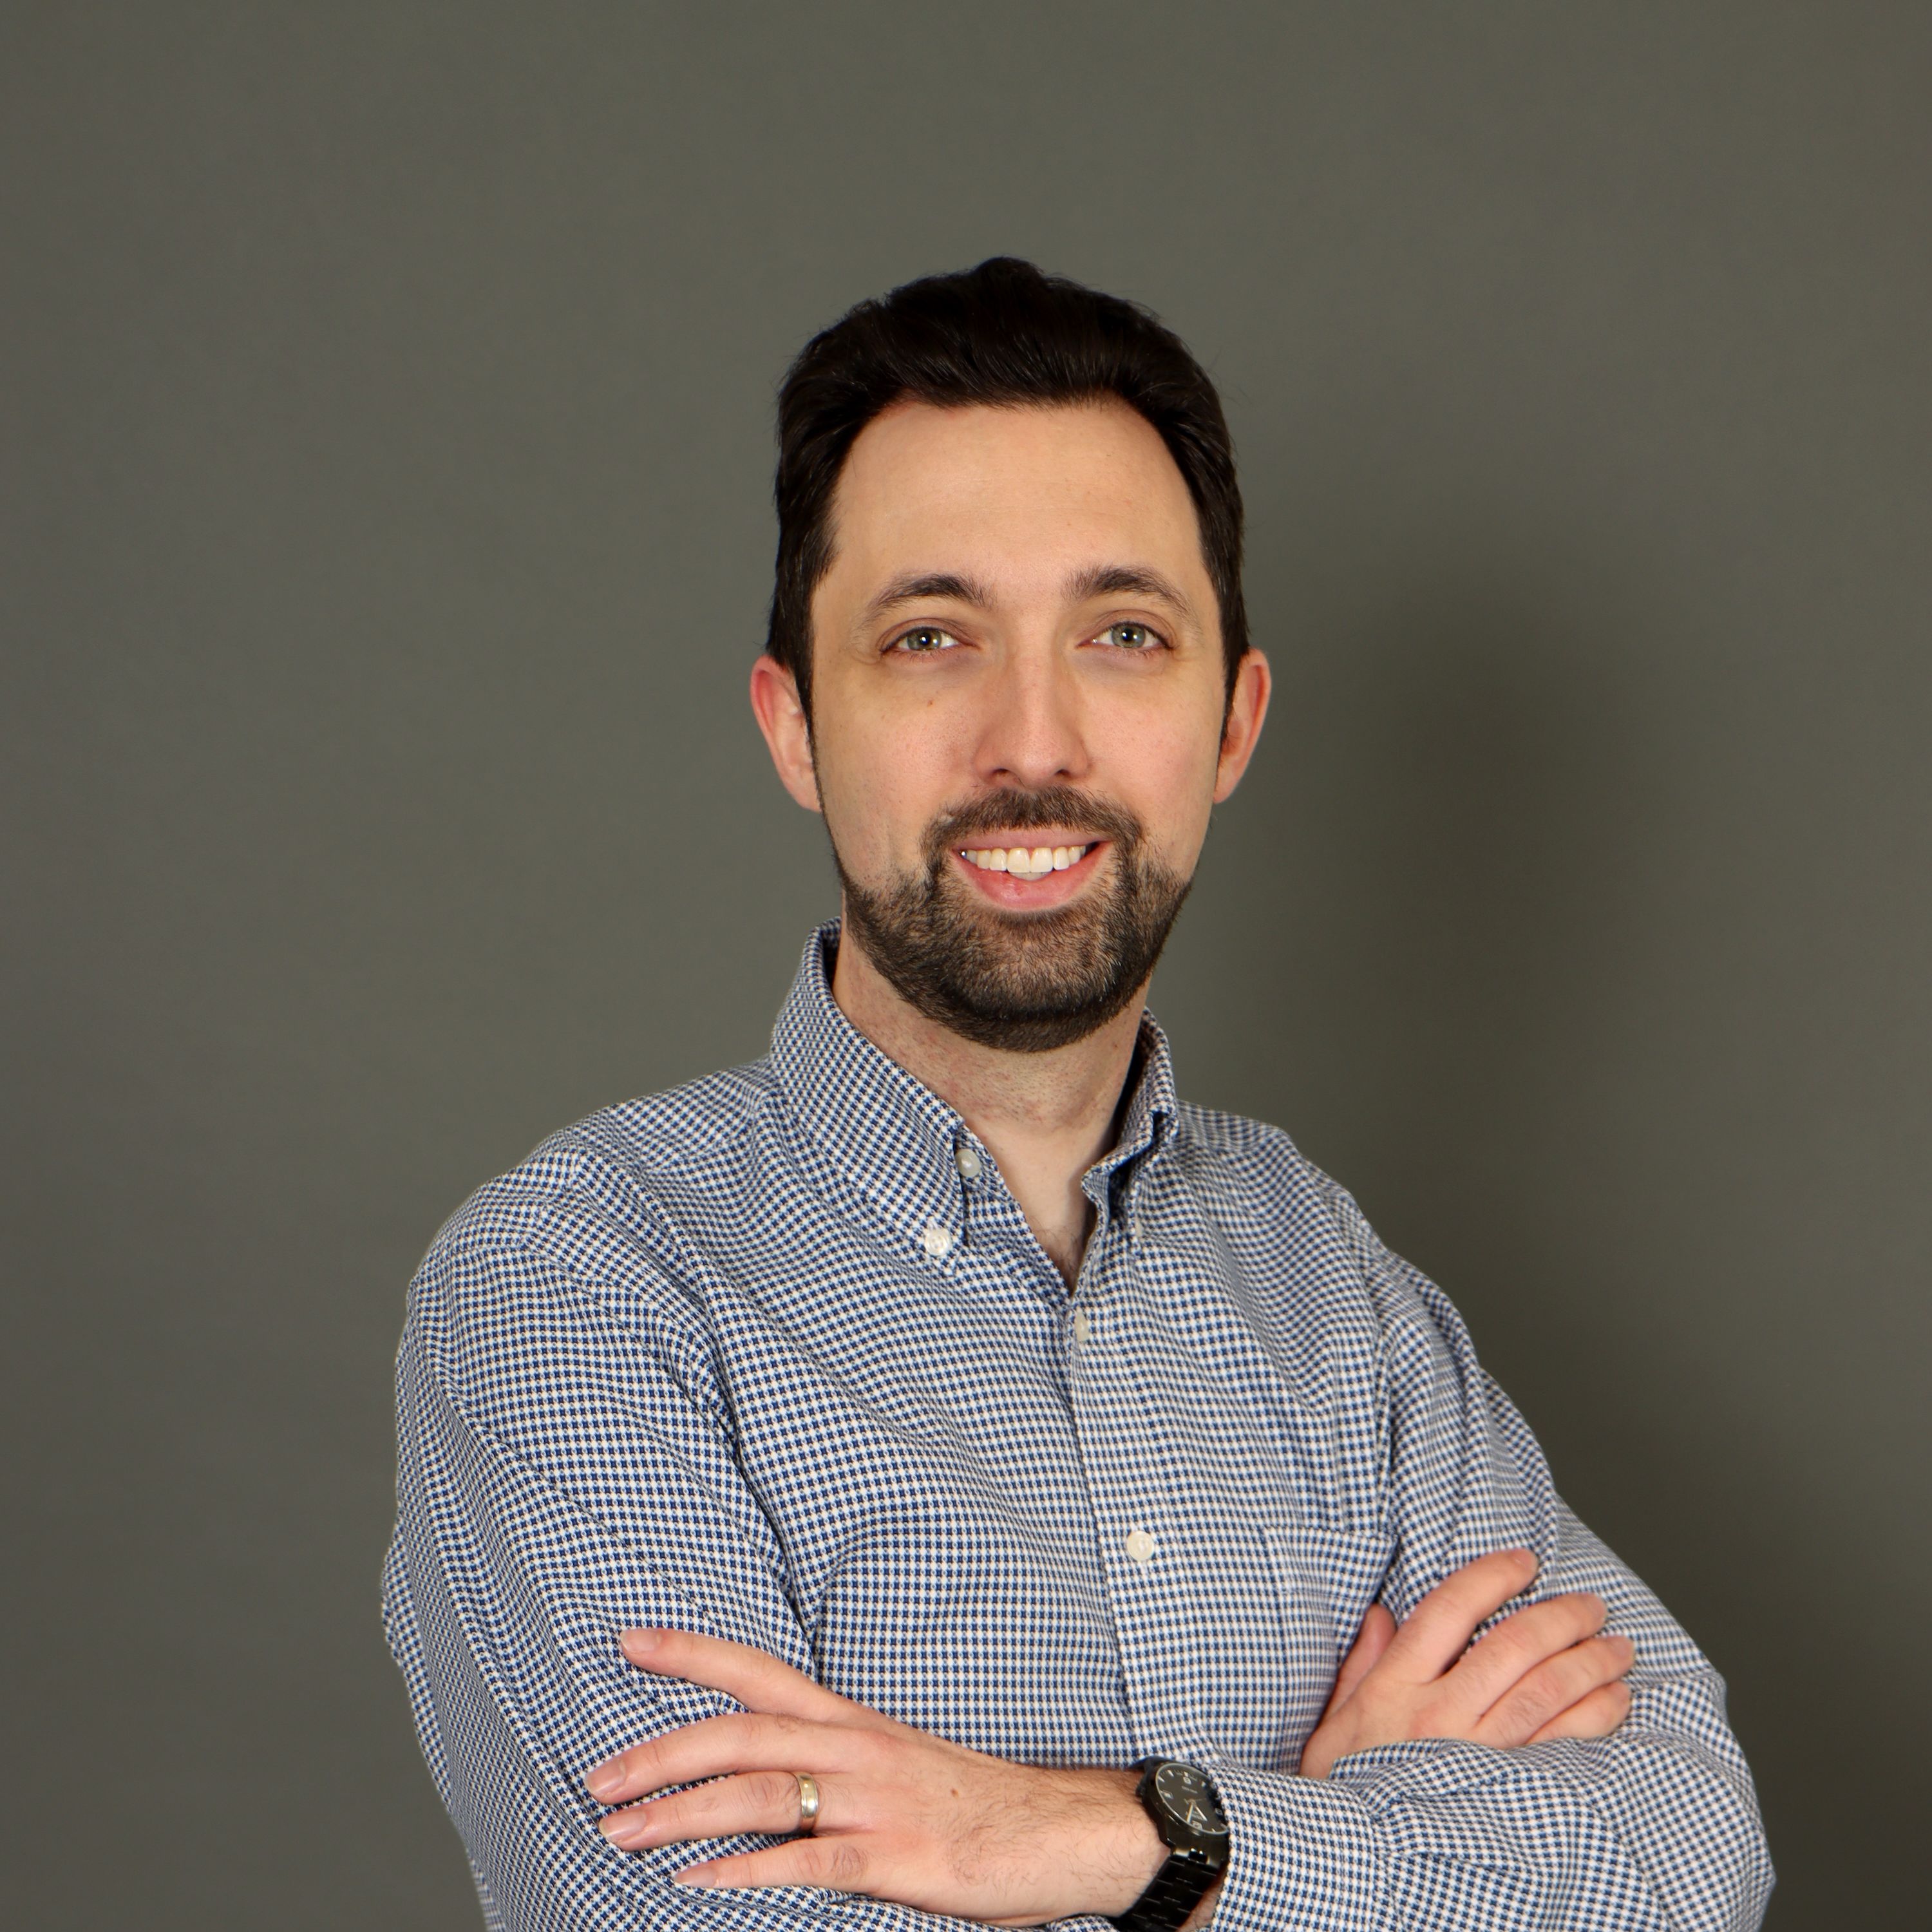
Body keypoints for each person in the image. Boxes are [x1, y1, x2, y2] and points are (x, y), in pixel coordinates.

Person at [383, 258, 1772, 1931]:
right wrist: (1307, 1836)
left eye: (1124, 636)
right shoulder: (577, 1297)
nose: (1030, 741)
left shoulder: (1329, 1284)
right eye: (929, 638)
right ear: (796, 727)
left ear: (1233, 718)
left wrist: (1105, 1843)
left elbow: (1688, 1852)